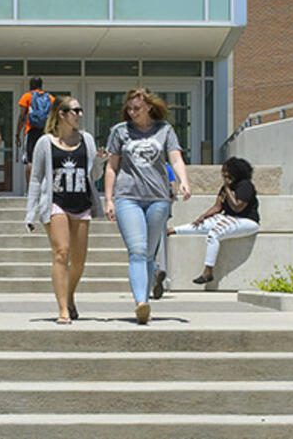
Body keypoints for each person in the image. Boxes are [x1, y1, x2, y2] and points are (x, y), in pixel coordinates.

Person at [103, 87, 190, 325]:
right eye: (129, 109)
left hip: (158, 198)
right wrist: (109, 199)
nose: (132, 113)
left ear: (149, 106)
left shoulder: (165, 130)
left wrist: (184, 181)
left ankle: (148, 291)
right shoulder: (120, 132)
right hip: (127, 196)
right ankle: (141, 303)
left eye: (137, 108)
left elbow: (175, 157)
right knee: (138, 251)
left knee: (150, 254)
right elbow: (111, 166)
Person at [23, 96, 101, 325]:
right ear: (62, 114)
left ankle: (70, 294)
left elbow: (94, 175)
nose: (79, 114)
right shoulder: (45, 143)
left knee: (78, 262)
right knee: (61, 253)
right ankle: (62, 309)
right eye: (74, 110)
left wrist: (99, 162)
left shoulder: (86, 139)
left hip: (82, 203)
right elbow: (36, 179)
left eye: (80, 110)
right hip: (55, 202)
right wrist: (30, 213)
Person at [169, 157, 260, 285]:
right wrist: (203, 216)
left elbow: (237, 207)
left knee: (214, 233)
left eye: (226, 171)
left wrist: (228, 189)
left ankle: (208, 271)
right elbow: (218, 207)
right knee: (204, 224)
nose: (223, 174)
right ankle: (174, 230)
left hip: (247, 221)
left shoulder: (245, 186)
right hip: (229, 217)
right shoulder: (225, 187)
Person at [16, 77, 54, 189]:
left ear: (30, 85)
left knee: (30, 161)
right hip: (45, 132)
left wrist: (18, 134)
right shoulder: (50, 98)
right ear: (41, 85)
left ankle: (31, 190)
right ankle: (45, 188)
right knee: (46, 160)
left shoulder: (27, 96)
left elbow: (22, 116)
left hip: (31, 130)